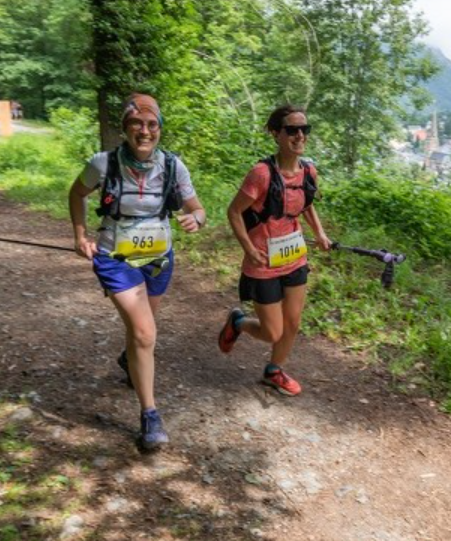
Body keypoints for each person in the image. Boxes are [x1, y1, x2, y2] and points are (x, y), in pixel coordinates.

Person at [68, 93, 206, 450]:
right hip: (116, 258)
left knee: (141, 331)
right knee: (145, 333)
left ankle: (129, 359)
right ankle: (150, 415)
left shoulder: (174, 166)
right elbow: (77, 193)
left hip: (159, 258)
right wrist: (80, 235)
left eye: (152, 124)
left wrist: (196, 219)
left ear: (159, 128)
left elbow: (198, 208)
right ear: (125, 127)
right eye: (137, 124)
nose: (145, 131)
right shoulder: (103, 163)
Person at [218, 105, 331, 396]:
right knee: (272, 331)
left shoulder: (308, 170)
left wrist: (318, 232)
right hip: (263, 262)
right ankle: (239, 322)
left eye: (304, 130)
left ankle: (274, 371)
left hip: (294, 256)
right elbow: (233, 212)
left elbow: (306, 204)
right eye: (291, 130)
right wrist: (248, 249)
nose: (299, 136)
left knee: (292, 323)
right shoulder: (261, 173)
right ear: (276, 134)